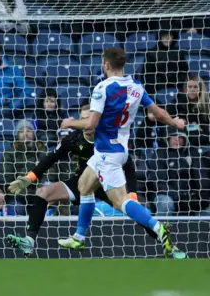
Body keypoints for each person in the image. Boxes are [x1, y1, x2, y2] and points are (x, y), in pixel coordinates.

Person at [5, 103, 186, 258]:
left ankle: (171, 246)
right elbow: (50, 158)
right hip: (82, 182)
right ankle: (29, 241)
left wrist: (132, 193)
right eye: (83, 119)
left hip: (106, 183)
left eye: (89, 118)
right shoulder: (74, 138)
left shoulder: (107, 138)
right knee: (43, 193)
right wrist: (30, 177)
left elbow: (128, 165)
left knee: (132, 209)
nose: (86, 123)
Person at [59, 47, 186, 258]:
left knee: (121, 202)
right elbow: (158, 113)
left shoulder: (102, 88)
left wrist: (71, 122)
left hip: (108, 153)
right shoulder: (136, 86)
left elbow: (91, 126)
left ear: (106, 65)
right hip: (117, 149)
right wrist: (176, 122)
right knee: (84, 186)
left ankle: (157, 227)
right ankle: (79, 238)